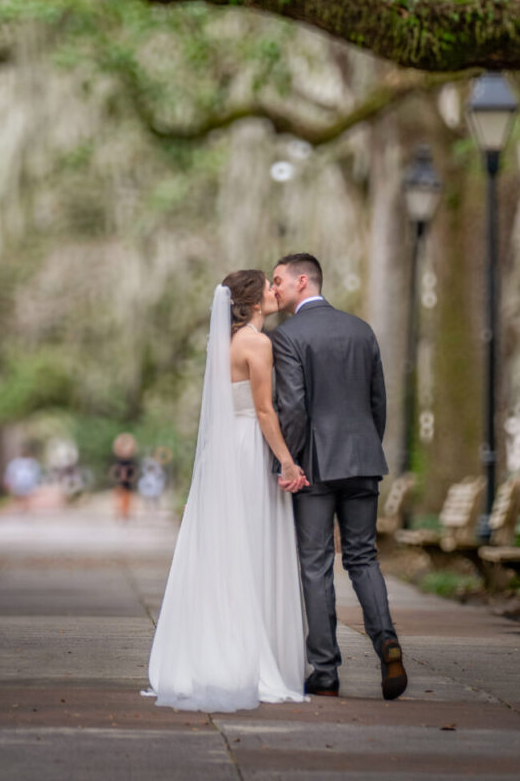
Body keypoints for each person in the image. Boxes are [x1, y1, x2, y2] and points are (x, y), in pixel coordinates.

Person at [146, 271, 308, 711]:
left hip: (223, 452)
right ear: (254, 301)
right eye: (269, 287)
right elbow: (262, 408)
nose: (277, 292)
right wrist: (288, 461)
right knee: (251, 544)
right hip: (248, 448)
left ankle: (212, 648)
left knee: (223, 548)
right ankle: (246, 654)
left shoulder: (221, 343)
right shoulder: (257, 343)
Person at [271, 251, 408, 700]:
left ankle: (326, 670)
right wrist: (366, 448)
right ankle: (385, 639)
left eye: (279, 281)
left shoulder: (287, 336)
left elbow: (292, 407)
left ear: (303, 281)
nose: (274, 290)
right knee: (363, 557)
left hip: (314, 465)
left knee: (316, 565)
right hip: (362, 460)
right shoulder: (361, 330)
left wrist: (288, 462)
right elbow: (378, 402)